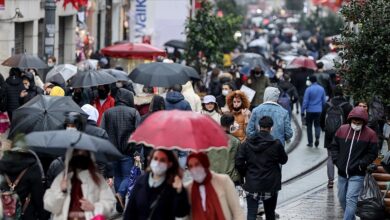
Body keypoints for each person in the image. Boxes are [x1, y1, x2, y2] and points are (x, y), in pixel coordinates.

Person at [330, 107, 378, 220]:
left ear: (363, 122)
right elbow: (334, 146)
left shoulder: (370, 134)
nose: (356, 124)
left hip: (357, 174)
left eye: (359, 122)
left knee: (351, 198)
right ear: (350, 120)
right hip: (342, 173)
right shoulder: (342, 130)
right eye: (354, 122)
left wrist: (362, 164)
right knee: (342, 198)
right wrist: (337, 160)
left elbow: (373, 153)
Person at [236, 116, 288, 220]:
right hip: (271, 184)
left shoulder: (247, 144)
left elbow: (239, 162)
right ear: (271, 128)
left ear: (259, 127)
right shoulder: (276, 144)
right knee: (270, 214)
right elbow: (284, 160)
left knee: (251, 213)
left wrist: (246, 172)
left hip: (252, 183)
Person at [44, 149, 116, 220]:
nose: (79, 157)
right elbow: (49, 205)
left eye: (83, 154)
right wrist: (61, 192)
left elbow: (109, 203)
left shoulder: (97, 179)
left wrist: (94, 207)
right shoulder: (62, 179)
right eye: (76, 153)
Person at [100, 88, 141, 209]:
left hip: (112, 151)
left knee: (117, 176)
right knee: (128, 176)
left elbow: (103, 132)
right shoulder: (133, 112)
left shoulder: (107, 113)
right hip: (127, 151)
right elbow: (138, 133)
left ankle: (119, 205)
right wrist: (137, 151)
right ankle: (121, 194)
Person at [124, 149, 190, 219]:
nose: (158, 163)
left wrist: (179, 192)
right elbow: (130, 211)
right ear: (150, 160)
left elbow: (181, 212)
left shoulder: (173, 184)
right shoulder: (141, 181)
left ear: (169, 164)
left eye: (162, 160)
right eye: (155, 159)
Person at [185, 152, 245, 220]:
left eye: (197, 164)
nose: (194, 169)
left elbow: (237, 212)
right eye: (190, 166)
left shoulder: (223, 181)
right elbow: (186, 216)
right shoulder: (188, 188)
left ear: (204, 164)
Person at [0, 135, 48, 220]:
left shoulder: (2, 164)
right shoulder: (33, 166)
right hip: (26, 214)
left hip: (4, 215)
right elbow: (38, 197)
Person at [320, 86, 353, 188]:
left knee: (330, 157)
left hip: (329, 136)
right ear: (343, 93)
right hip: (344, 135)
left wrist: (325, 129)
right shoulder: (348, 106)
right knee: (343, 157)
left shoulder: (327, 105)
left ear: (333, 93)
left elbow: (321, 120)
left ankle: (330, 181)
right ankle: (342, 179)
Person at [207, 113, 241, 184]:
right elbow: (238, 162)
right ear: (232, 125)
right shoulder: (235, 142)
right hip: (229, 178)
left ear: (220, 123)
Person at [301, 75, 326, 147]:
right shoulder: (321, 89)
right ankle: (317, 137)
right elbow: (324, 101)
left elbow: (305, 101)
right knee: (317, 125)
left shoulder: (308, 89)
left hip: (309, 110)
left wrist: (302, 111)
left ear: (310, 81)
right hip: (319, 110)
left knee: (309, 126)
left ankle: (310, 142)